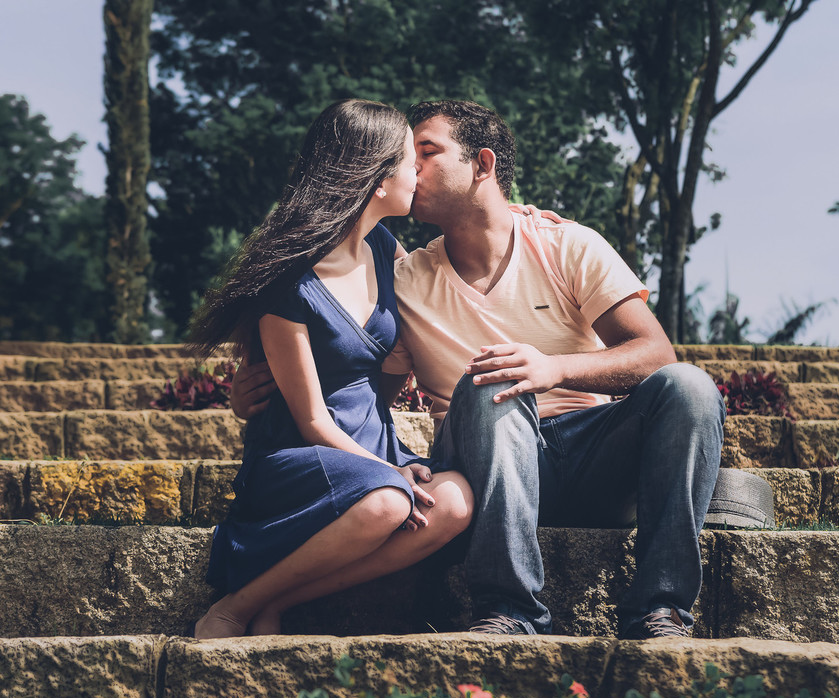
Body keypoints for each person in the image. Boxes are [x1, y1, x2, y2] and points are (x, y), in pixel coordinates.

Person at [234, 99, 724, 640]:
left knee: (690, 387)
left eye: (427, 151)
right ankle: (509, 609)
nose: (410, 168)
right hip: (482, 470)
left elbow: (656, 354)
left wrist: (553, 369)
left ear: (482, 165)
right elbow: (360, 383)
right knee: (491, 383)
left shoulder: (568, 245)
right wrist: (267, 388)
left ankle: (662, 608)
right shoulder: (406, 279)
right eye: (407, 155)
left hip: (592, 458)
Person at [188, 99, 473, 640]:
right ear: (376, 176)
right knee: (388, 501)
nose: (420, 173)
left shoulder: (384, 248)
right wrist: (388, 475)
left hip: (374, 446)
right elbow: (314, 421)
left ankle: (281, 597)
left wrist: (524, 221)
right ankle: (231, 607)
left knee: (456, 500)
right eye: (411, 160)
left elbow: (454, 260)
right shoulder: (288, 277)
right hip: (304, 455)